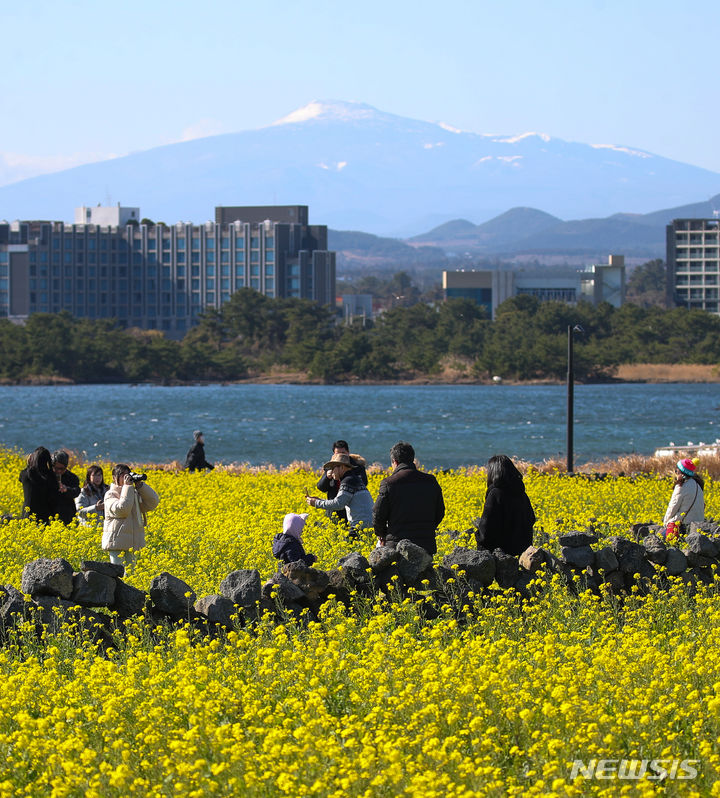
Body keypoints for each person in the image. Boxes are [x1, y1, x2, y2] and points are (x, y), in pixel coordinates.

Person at [372, 441, 445, 555]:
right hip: (426, 546)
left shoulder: (389, 483)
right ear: (412, 459)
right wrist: (426, 529)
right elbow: (440, 512)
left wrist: (382, 535)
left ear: (394, 462)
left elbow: (378, 514)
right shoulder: (431, 481)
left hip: (397, 546)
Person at [474, 454, 536, 556]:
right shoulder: (522, 494)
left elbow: (486, 531)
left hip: (501, 556)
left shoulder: (495, 494)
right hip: (523, 553)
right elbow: (531, 520)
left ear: (493, 472)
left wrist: (477, 537)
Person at [102, 464, 160, 571]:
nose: (126, 478)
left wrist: (140, 486)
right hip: (117, 543)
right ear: (114, 478)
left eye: (127, 475)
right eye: (122, 475)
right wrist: (127, 487)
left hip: (132, 543)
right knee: (118, 574)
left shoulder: (132, 493)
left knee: (131, 576)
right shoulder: (110, 495)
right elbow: (122, 509)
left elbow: (153, 502)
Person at [306, 453, 374, 537]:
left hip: (361, 527)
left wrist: (316, 503)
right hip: (367, 526)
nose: (331, 471)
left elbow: (339, 504)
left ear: (342, 467)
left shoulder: (348, 481)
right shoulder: (353, 478)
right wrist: (319, 500)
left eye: (333, 468)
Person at [316, 439, 368, 521]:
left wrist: (346, 473)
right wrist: (327, 477)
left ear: (348, 452)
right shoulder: (330, 466)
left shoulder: (358, 466)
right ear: (334, 454)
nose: (340, 456)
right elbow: (321, 487)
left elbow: (363, 482)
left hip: (351, 509)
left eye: (343, 453)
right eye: (337, 453)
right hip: (334, 510)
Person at [663, 457, 705, 534]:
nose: (675, 473)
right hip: (698, 524)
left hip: (684, 525)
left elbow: (673, 507)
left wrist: (666, 523)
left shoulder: (681, 486)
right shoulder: (698, 485)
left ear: (681, 473)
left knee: (661, 536)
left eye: (676, 471)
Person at [19, 446, 59, 524]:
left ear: (33, 458)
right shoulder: (50, 476)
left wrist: (28, 464)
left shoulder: (25, 474)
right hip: (45, 518)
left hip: (27, 516)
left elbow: (21, 478)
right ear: (47, 460)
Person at [52, 450, 81, 525]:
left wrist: (66, 489)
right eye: (56, 468)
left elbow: (76, 491)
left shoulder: (72, 477)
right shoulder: (48, 476)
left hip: (67, 515)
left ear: (66, 466)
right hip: (51, 515)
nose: (58, 471)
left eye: (62, 469)